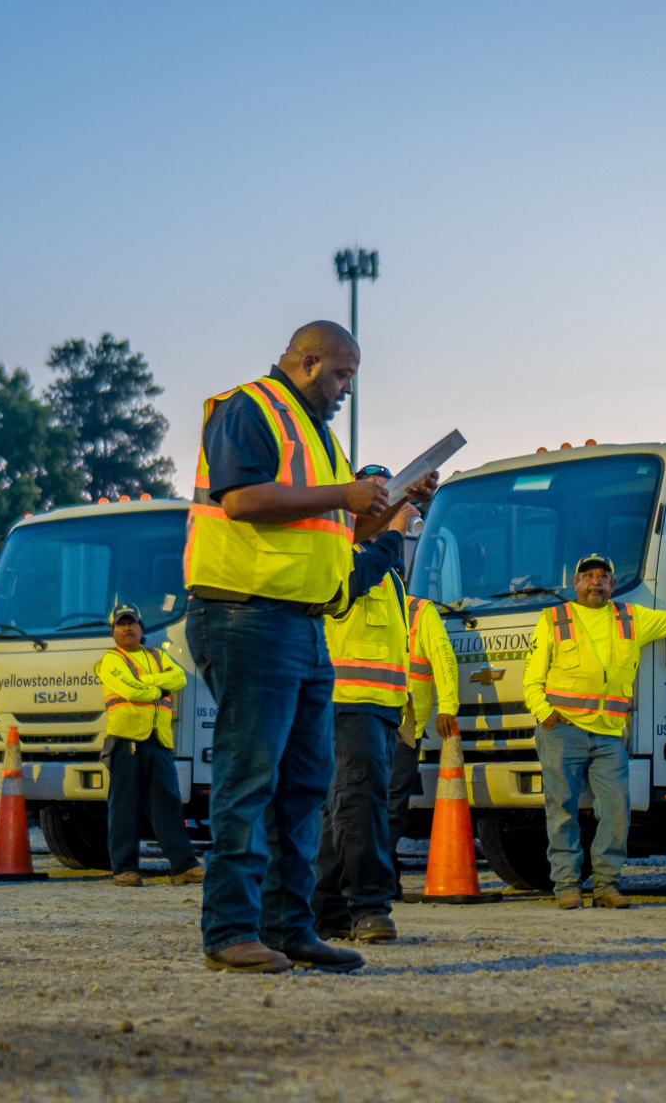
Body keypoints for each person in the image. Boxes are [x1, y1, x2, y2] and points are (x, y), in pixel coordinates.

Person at [184, 320, 435, 974]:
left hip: (302, 623)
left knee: (302, 788)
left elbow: (336, 531)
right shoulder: (247, 408)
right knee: (250, 781)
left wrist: (395, 506)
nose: (347, 388)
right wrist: (344, 494)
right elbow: (240, 499)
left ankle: (290, 927)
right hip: (245, 615)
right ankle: (230, 931)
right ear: (307, 361)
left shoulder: (317, 437)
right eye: (342, 374)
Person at [523, 553, 666, 909]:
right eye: (589, 575)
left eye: (603, 576)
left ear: (613, 584)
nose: (596, 581)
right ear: (576, 584)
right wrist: (544, 713)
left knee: (616, 809)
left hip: (609, 735)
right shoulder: (554, 619)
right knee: (561, 810)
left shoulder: (630, 618)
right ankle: (566, 887)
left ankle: (606, 885)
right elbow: (531, 677)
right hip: (563, 730)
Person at [312, 465, 421, 943]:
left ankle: (327, 909)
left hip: (375, 707)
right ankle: (368, 907)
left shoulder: (389, 571)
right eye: (378, 494)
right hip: (347, 700)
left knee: (342, 809)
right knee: (360, 805)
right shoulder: (346, 552)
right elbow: (355, 579)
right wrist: (394, 535)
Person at [99, 604, 203, 887]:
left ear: (142, 629)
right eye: (121, 624)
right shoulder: (110, 660)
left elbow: (179, 678)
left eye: (132, 623)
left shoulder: (157, 656)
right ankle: (124, 869)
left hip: (158, 740)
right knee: (124, 807)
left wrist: (147, 682)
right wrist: (159, 688)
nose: (127, 628)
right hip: (126, 740)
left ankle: (183, 867)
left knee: (168, 804)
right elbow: (130, 689)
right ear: (113, 631)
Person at [387, 583, 461, 877]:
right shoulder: (358, 599)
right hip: (366, 715)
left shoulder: (419, 611)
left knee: (390, 801)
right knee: (370, 800)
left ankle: (381, 870)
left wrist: (448, 705)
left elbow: (443, 658)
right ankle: (378, 870)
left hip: (404, 721)